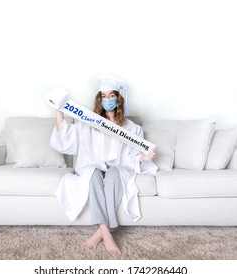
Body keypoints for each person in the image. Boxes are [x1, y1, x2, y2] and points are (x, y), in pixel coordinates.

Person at [50, 77, 157, 255]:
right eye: (104, 96)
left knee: (115, 173)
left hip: (117, 165)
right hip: (92, 164)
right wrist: (59, 110)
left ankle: (100, 232)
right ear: (99, 99)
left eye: (111, 95)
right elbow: (66, 136)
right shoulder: (88, 121)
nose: (107, 99)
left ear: (118, 99)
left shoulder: (131, 127)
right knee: (93, 174)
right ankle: (106, 232)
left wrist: (143, 158)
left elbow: (132, 155)